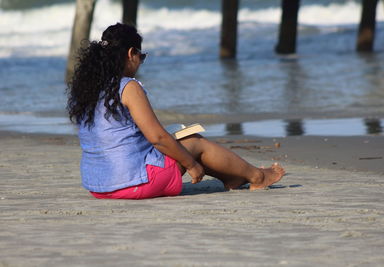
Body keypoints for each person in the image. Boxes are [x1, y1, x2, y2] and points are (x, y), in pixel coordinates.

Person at [66, 23, 285, 200]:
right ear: (131, 53)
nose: (141, 62)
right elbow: (157, 138)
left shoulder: (84, 90)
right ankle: (257, 177)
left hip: (99, 187)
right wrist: (192, 165)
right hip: (133, 183)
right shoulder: (128, 87)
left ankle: (232, 178)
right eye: (142, 57)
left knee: (177, 144)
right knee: (193, 142)